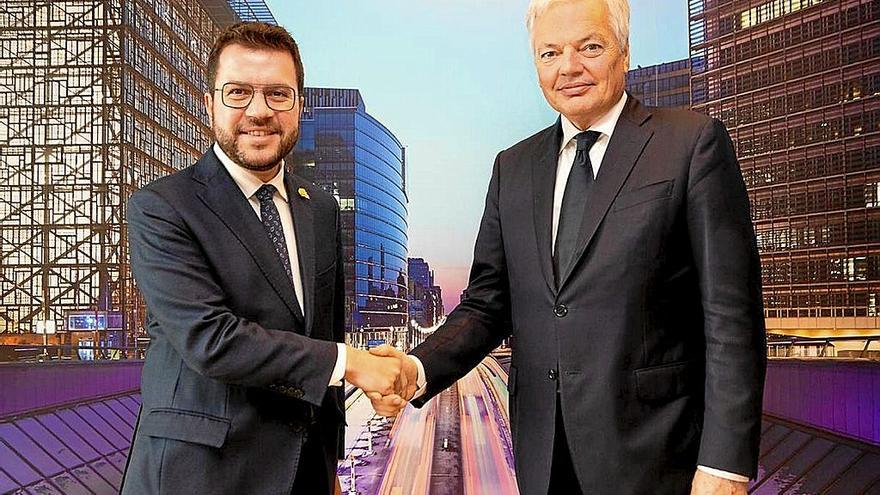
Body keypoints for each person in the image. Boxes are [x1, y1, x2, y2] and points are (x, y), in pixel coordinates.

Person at [369, 1, 766, 493]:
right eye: (549, 53)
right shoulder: (512, 168)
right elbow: (487, 305)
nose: (568, 67)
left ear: (623, 52)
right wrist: (415, 367)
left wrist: (725, 464)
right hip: (544, 458)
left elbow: (732, 315)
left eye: (590, 47)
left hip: (658, 456)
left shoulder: (690, 144)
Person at [121, 22, 407, 495]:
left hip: (304, 472)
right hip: (200, 474)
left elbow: (321, 331)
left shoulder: (319, 207)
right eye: (238, 93)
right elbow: (212, 340)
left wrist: (329, 461)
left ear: (299, 106)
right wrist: (354, 363)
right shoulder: (163, 207)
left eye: (278, 94)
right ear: (209, 103)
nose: (259, 111)